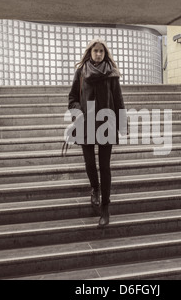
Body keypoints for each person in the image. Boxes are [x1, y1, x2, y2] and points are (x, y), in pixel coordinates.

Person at [67, 38, 126, 227]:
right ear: (90, 53)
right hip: (85, 125)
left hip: (106, 124)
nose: (98, 54)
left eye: (101, 51)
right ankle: (95, 188)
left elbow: (118, 100)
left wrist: (122, 124)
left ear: (105, 53)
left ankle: (106, 208)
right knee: (90, 163)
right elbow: (72, 98)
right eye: (95, 51)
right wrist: (80, 111)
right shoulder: (81, 72)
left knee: (105, 167)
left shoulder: (111, 74)